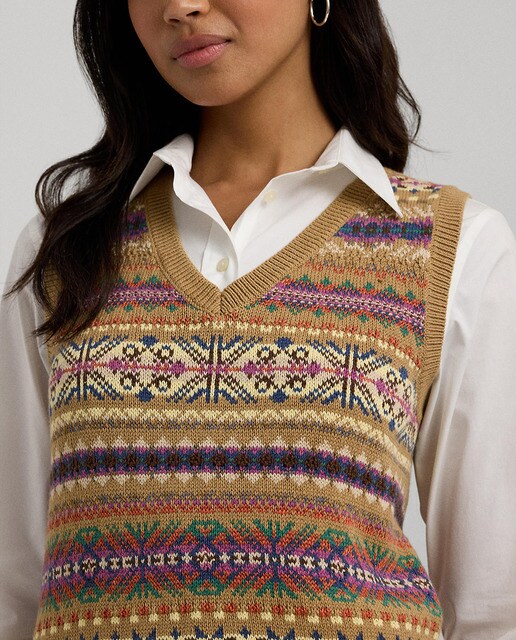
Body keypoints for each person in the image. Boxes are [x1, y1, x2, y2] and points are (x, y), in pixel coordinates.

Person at [1, 0, 515, 639]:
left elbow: (494, 611)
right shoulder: (64, 254)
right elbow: (16, 594)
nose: (181, 6)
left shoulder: (453, 248)